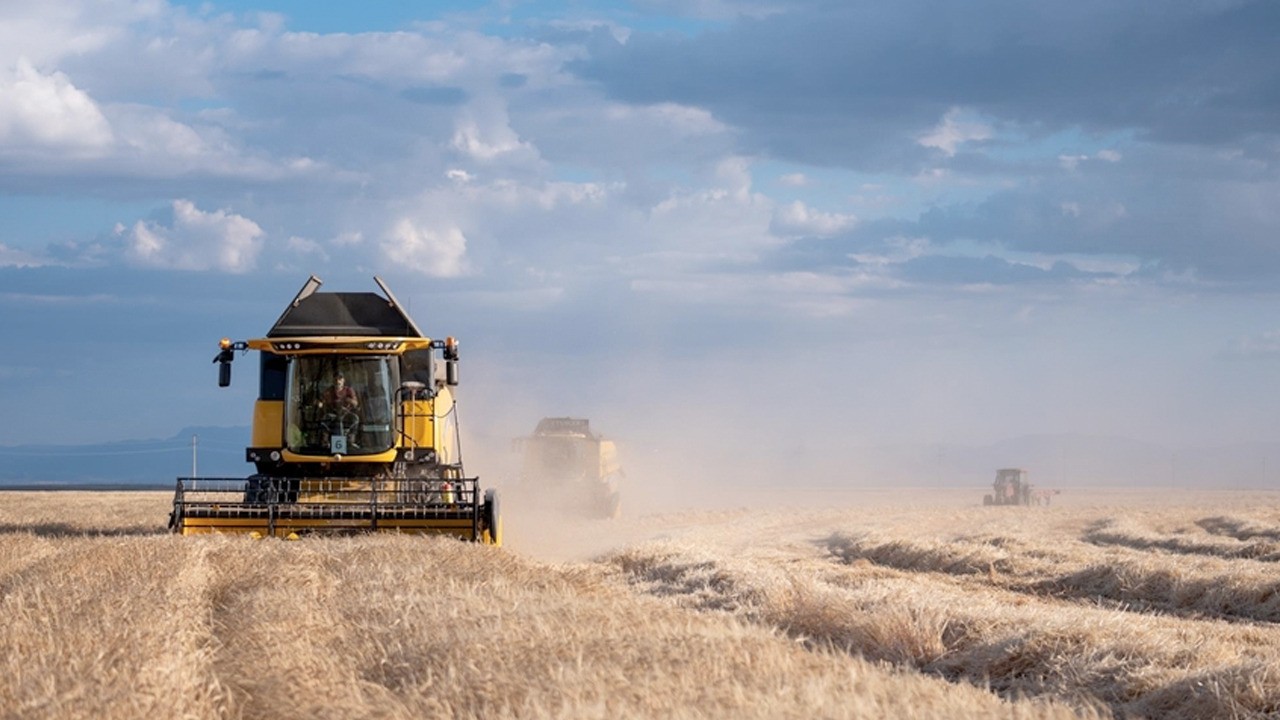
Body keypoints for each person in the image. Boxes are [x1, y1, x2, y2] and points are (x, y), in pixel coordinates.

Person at [320, 373, 360, 447]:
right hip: (333, 414)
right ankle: (325, 442)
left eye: (340, 379)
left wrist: (349, 400)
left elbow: (355, 403)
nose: (338, 381)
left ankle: (351, 441)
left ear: (343, 381)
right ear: (333, 381)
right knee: (324, 420)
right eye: (336, 379)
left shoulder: (349, 390)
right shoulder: (329, 391)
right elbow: (322, 400)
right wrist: (320, 403)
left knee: (355, 419)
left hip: (345, 414)